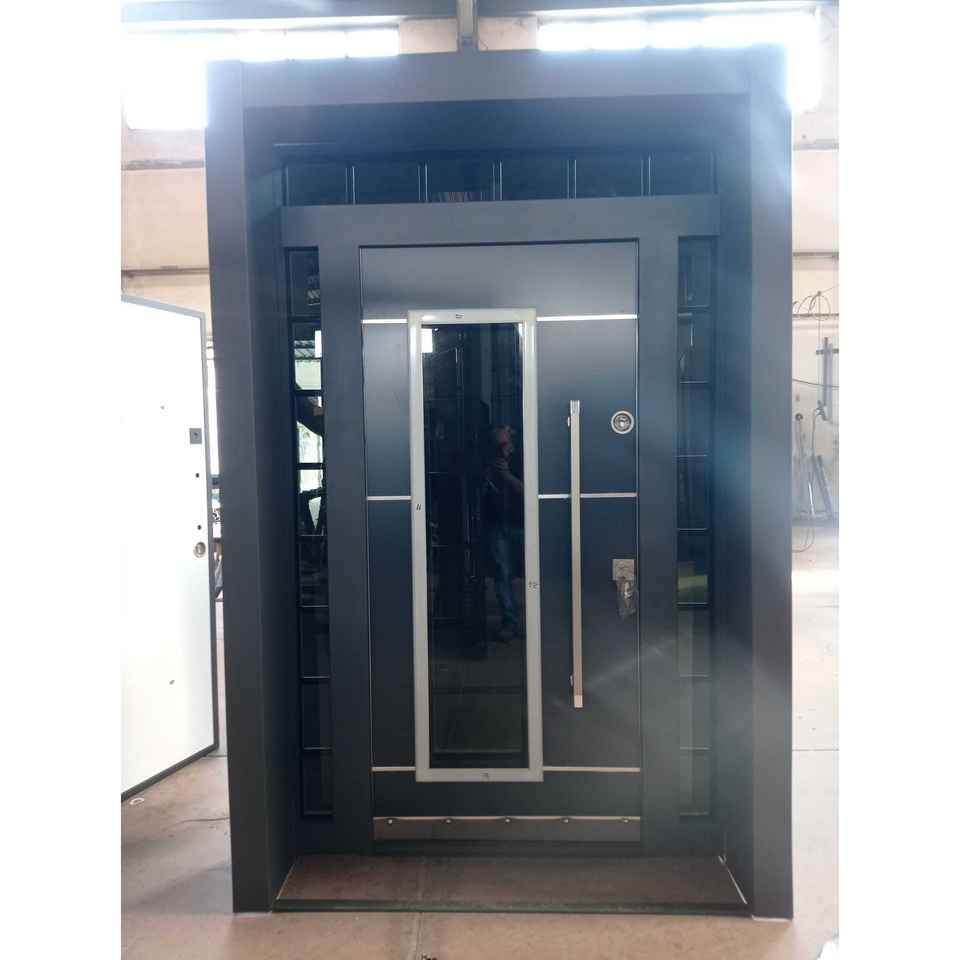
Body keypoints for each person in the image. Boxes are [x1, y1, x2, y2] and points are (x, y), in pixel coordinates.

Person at [484, 425, 524, 641]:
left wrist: (506, 475)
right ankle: (510, 622)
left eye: (501, 430)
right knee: (502, 574)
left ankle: (536, 621)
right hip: (497, 523)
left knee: (535, 572)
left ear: (511, 433)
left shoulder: (524, 457)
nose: (497, 433)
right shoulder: (490, 458)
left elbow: (529, 490)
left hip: (524, 523)